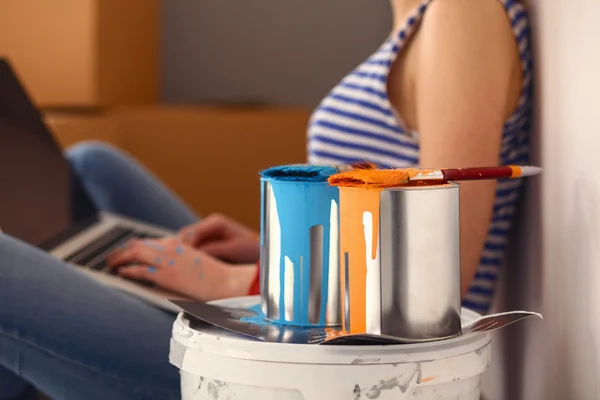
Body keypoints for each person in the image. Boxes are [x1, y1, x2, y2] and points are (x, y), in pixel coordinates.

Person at [0, 0, 532, 398]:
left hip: (340, 371)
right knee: (96, 164)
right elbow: (378, 232)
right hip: (315, 321)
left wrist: (240, 283)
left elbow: (433, 284)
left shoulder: (461, 15)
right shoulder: (419, 15)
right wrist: (265, 251)